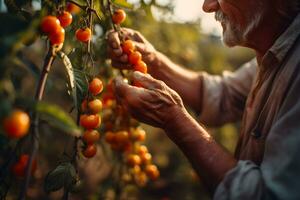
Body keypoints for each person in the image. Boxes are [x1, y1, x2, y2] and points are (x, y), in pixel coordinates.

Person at [107, 0, 300, 199]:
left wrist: (173, 119)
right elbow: (225, 94)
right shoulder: (276, 54)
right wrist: (153, 61)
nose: (207, 6)